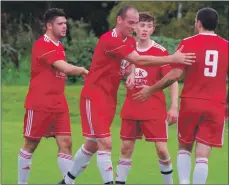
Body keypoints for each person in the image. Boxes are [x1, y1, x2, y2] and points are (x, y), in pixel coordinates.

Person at [58, 5, 195, 184]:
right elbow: (138, 59)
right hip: (94, 96)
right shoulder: (110, 40)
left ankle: (67, 181)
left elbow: (132, 62)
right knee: (106, 143)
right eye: (131, 23)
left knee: (92, 144)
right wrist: (173, 58)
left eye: (137, 23)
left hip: (110, 99)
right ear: (119, 20)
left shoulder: (129, 40)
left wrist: (130, 73)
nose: (135, 27)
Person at [133, 7, 228, 184]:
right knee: (202, 155)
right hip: (215, 105)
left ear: (198, 23)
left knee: (184, 147)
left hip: (191, 103)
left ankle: (183, 182)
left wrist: (151, 89)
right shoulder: (226, 46)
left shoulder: (188, 43)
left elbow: (175, 75)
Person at [18, 8, 88, 184]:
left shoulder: (59, 45)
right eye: (60, 23)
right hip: (40, 103)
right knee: (30, 145)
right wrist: (82, 70)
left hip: (58, 103)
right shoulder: (43, 44)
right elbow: (64, 68)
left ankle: (67, 183)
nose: (65, 27)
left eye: (65, 23)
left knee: (66, 143)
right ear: (49, 25)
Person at [115, 12, 179, 185]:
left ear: (153, 29)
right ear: (134, 27)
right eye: (141, 25)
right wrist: (128, 76)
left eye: (148, 26)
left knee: (162, 151)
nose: (144, 29)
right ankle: (119, 182)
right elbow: (123, 70)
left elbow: (172, 79)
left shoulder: (160, 52)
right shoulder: (126, 48)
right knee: (125, 148)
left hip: (154, 109)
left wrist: (174, 106)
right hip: (131, 107)